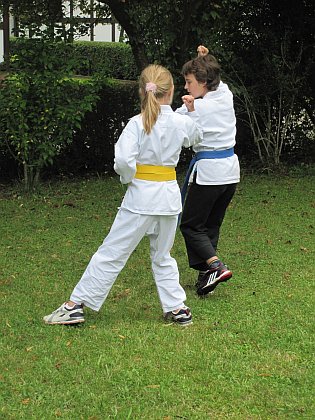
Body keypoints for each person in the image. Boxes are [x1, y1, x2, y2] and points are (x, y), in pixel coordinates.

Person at [43, 64, 202, 327]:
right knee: (163, 255)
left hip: (141, 200)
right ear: (171, 90)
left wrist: (131, 180)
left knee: (112, 252)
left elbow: (124, 162)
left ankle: (75, 306)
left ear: (143, 91)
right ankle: (178, 309)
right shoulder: (181, 122)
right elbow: (195, 137)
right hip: (169, 200)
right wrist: (193, 114)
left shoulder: (136, 124)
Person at [175, 45, 240, 297]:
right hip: (230, 174)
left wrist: (188, 111)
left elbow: (181, 131)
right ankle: (207, 277)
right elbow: (216, 78)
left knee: (191, 225)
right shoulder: (224, 94)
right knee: (211, 224)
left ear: (203, 82)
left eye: (189, 81)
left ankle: (215, 265)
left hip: (210, 174)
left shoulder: (197, 108)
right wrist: (204, 59)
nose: (185, 87)